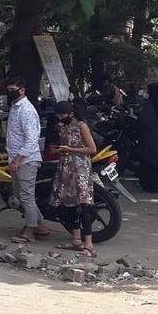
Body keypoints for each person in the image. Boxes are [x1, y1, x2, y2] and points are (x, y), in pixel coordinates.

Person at [48, 100, 98, 256]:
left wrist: (70, 149)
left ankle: (88, 244)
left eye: (63, 114)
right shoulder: (62, 126)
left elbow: (92, 148)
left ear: (71, 113)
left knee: (84, 206)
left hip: (80, 169)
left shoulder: (81, 126)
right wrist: (57, 150)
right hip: (65, 167)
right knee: (67, 204)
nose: (61, 117)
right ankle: (76, 239)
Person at [5, 75, 48, 244]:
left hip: (26, 159)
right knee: (20, 195)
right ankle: (38, 224)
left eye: (12, 90)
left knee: (26, 195)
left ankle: (30, 230)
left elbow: (31, 139)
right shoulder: (14, 108)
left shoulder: (27, 110)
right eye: (8, 90)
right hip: (15, 157)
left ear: (22, 90)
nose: (10, 93)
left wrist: (17, 160)